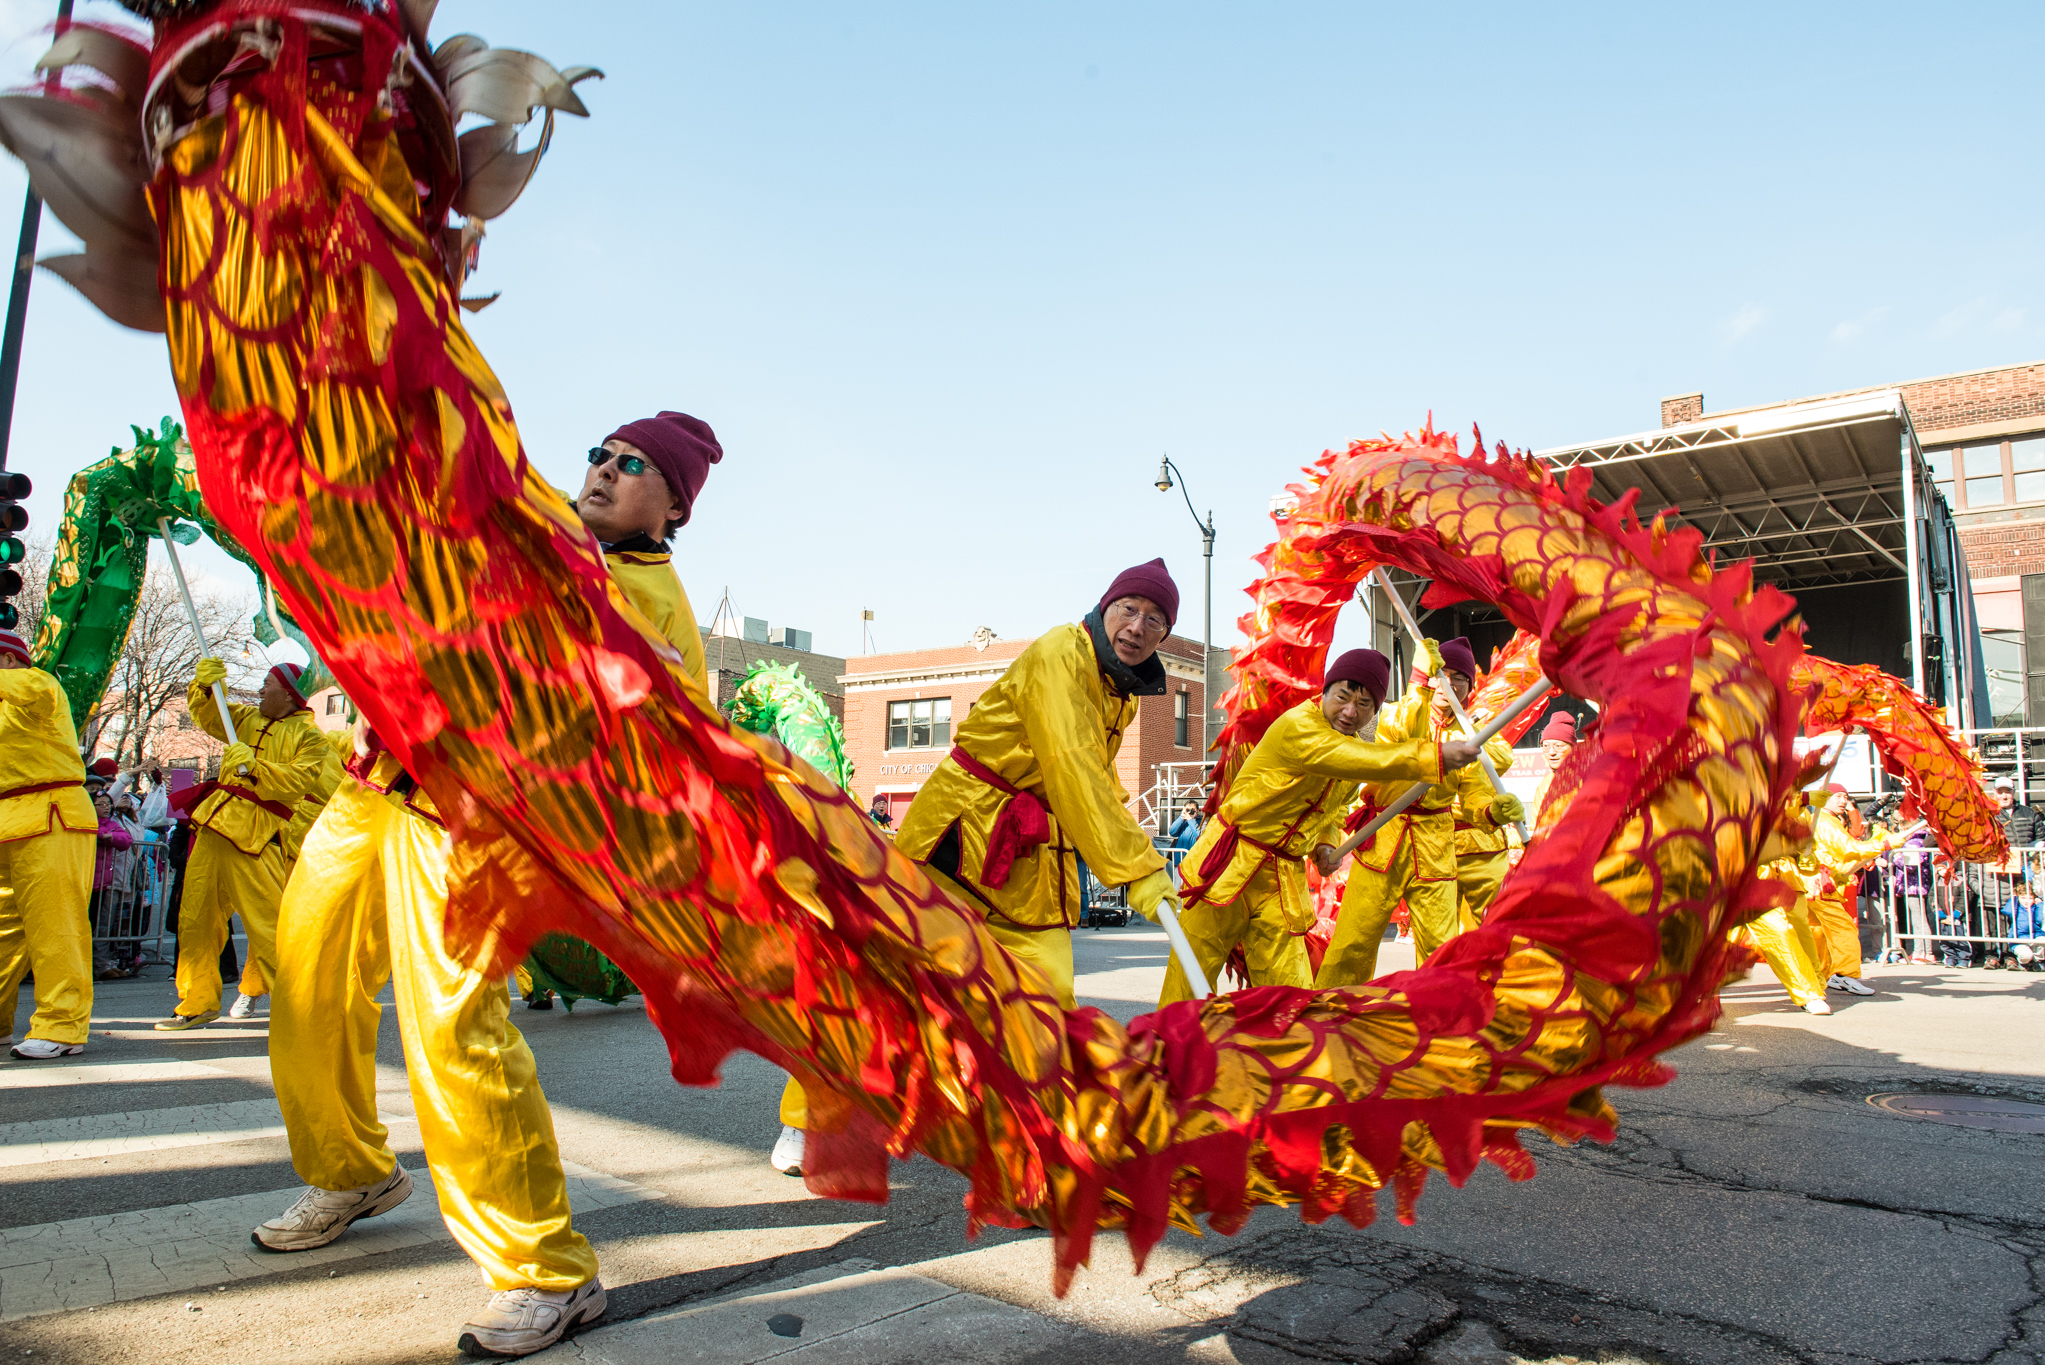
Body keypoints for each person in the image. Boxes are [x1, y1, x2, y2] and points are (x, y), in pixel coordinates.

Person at [253, 411, 718, 1358]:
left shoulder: (660, 604)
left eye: (631, 466)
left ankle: (546, 1269)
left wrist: (636, 686)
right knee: (302, 983)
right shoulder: (531, 523)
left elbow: (671, 745)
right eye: (599, 451)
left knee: (455, 1032)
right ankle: (350, 1168)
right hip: (372, 781)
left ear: (671, 504)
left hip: (470, 816)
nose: (600, 469)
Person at [794, 561, 1182, 1178]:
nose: (1137, 626)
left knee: (1048, 1000)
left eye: (1155, 619)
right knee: (886, 979)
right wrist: (1135, 869)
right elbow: (1073, 765)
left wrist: (1139, 858)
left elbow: (1097, 779)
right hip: (959, 838)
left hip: (1032, 861)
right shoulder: (1062, 652)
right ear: (1105, 606)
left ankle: (1034, 1151)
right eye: (1129, 608)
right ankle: (808, 1114)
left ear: (1165, 635)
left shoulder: (1124, 692)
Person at [1158, 648, 1475, 1004]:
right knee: (1189, 979)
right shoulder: (1299, 726)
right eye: (1343, 697)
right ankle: (1164, 1053)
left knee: (1291, 995)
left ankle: (1289, 1057)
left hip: (1281, 879)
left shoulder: (1350, 748)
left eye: (1365, 703)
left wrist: (1324, 844)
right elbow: (1353, 761)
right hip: (1229, 862)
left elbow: (1333, 812)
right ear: (1324, 692)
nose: (1351, 711)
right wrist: (1431, 757)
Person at [1314, 637, 1523, 987]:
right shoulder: (1397, 711)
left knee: (1440, 948)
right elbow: (1403, 737)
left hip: (1435, 846)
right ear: (1429, 675)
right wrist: (1417, 684)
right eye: (1444, 673)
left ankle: (1438, 1017)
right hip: (1383, 838)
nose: (1450, 683)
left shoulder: (1471, 736)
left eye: (1460, 678)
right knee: (1353, 941)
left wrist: (1491, 812)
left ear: (1470, 686)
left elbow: (1472, 798)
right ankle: (1331, 1011)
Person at [157, 659, 327, 1031]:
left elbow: (299, 781)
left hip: (256, 837)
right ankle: (198, 999)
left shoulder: (312, 737)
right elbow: (209, 715)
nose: (261, 689)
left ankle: (299, 1007)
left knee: (268, 926)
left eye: (267, 683)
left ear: (288, 692)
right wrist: (204, 687)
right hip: (214, 828)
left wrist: (258, 767)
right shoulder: (246, 718)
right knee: (195, 920)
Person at [0, 628, 98, 1060]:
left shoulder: (40, 684)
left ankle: (63, 1025)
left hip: (51, 812)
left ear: (8, 660)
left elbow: (25, 690)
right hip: (8, 822)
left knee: (56, 928)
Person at [1808, 784, 1901, 996]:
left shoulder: (1829, 820)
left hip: (1821, 883)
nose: (1843, 801)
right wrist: (1884, 844)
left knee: (1818, 933)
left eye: (1845, 797)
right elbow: (1849, 848)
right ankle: (1844, 975)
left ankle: (1822, 976)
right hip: (1821, 885)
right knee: (1844, 930)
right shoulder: (1825, 821)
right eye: (1838, 796)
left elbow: (1843, 851)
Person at [1531, 711, 1577, 828]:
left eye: (1558, 746)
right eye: (1546, 746)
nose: (1551, 752)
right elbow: (1536, 826)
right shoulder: (1545, 784)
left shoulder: (1589, 778)